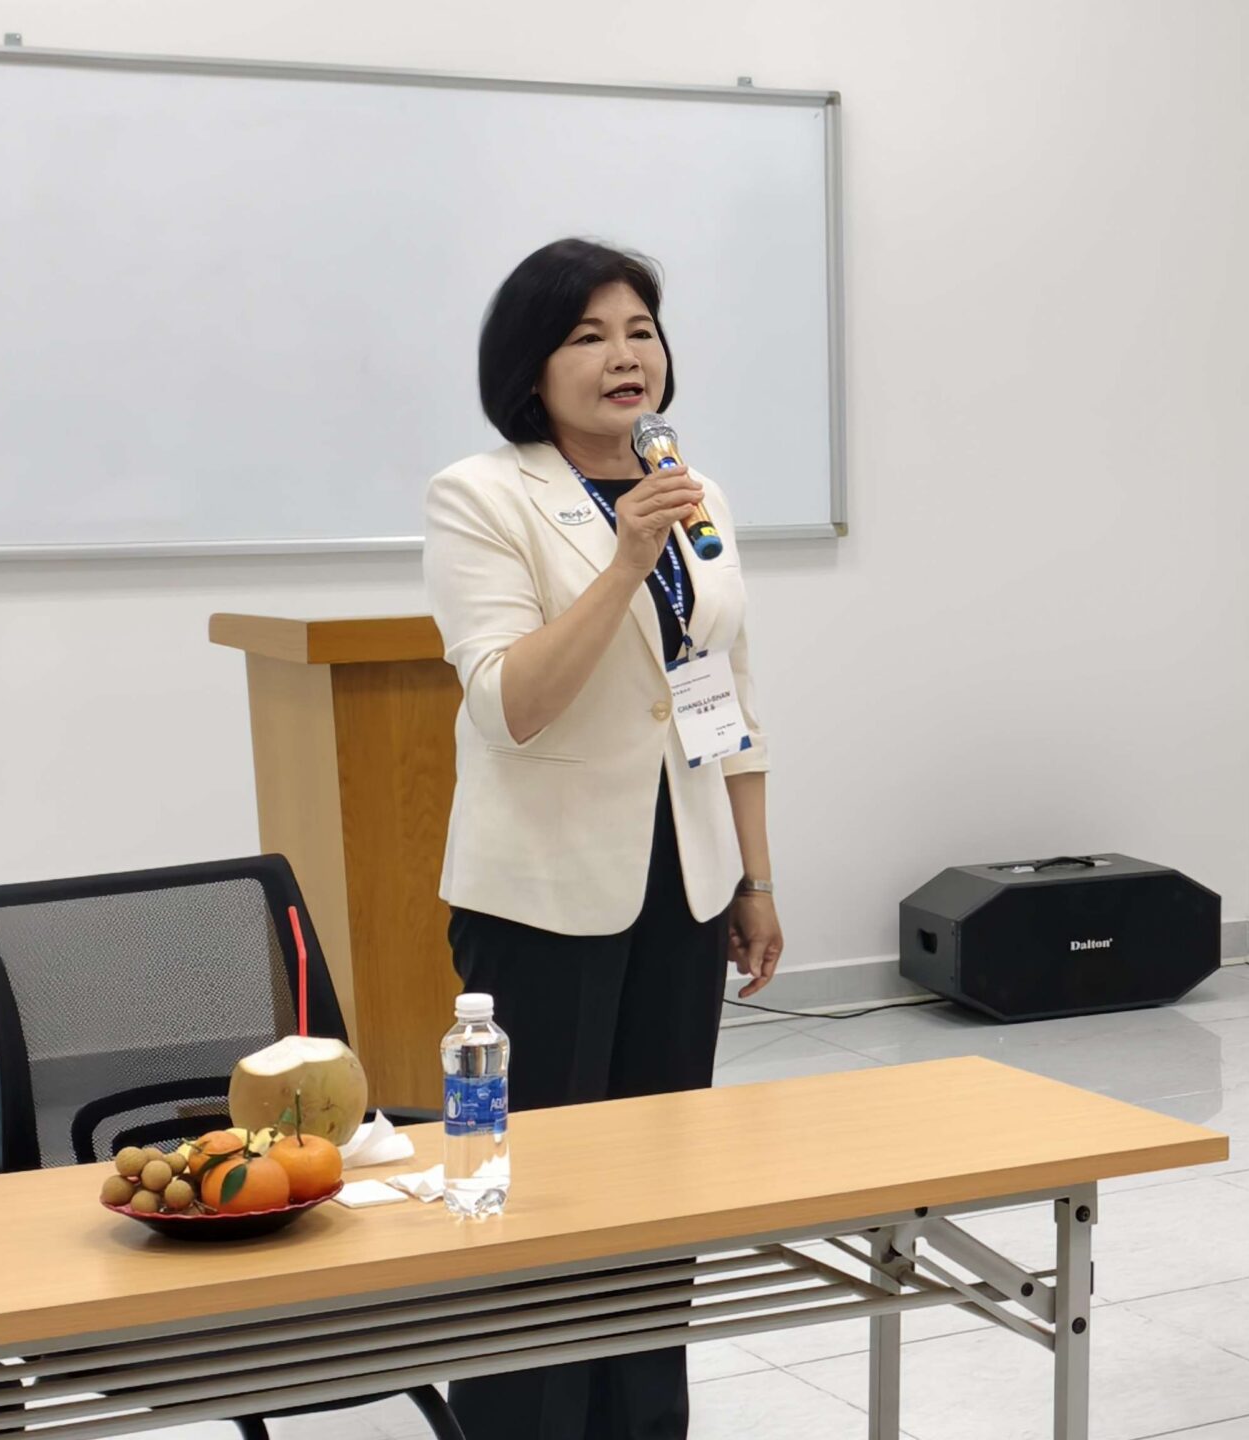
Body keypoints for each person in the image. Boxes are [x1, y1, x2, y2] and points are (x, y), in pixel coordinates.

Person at [422, 238, 782, 1440]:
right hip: (541, 896)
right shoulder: (481, 496)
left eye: (640, 330)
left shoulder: (694, 490)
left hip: (682, 884)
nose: (625, 355)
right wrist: (627, 557)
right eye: (587, 336)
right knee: (532, 1193)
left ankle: (642, 1423)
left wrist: (753, 876)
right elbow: (510, 705)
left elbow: (723, 692)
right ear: (531, 366)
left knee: (657, 1189)